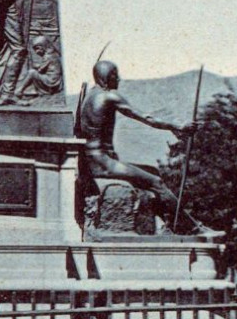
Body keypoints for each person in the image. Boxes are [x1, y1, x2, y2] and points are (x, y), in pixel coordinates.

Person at [78, 59, 205, 233]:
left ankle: (167, 226)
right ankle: (190, 228)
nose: (119, 79)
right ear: (106, 77)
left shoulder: (89, 96)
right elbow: (147, 118)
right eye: (115, 74)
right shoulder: (110, 96)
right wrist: (178, 126)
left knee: (152, 172)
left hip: (93, 160)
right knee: (157, 182)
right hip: (102, 162)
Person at [16, 35, 63, 100]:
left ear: (44, 46)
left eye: (38, 48)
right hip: (54, 79)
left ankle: (20, 90)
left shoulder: (48, 56)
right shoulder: (53, 54)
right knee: (33, 72)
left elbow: (40, 70)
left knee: (32, 72)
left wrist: (36, 67)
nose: (36, 52)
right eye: (35, 49)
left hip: (52, 81)